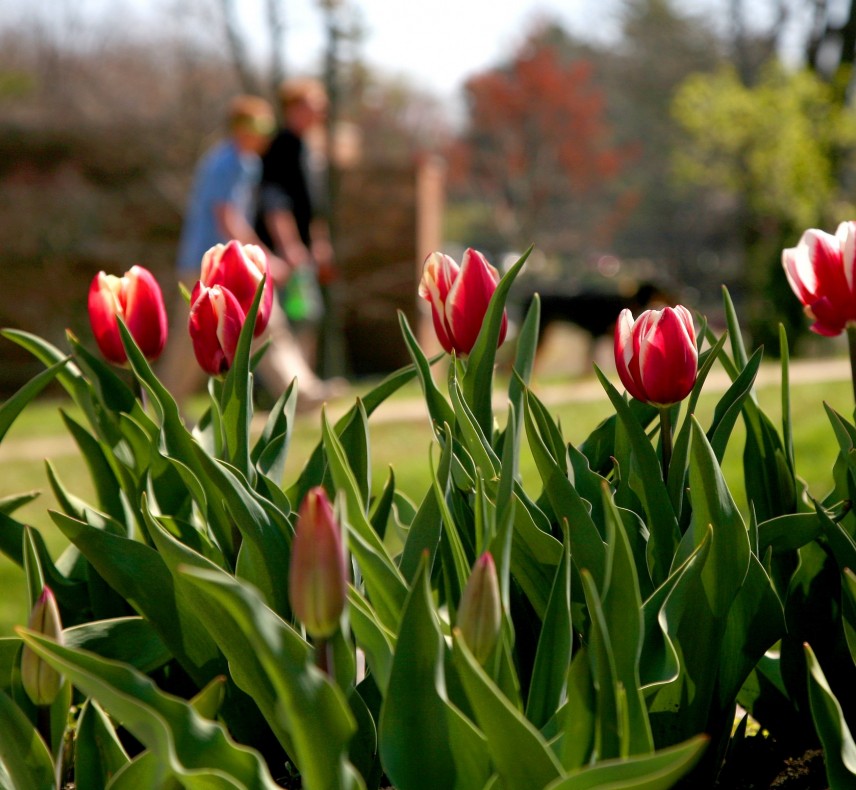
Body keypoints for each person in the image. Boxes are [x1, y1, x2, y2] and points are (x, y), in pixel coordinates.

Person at [161, 93, 342, 412]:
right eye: (258, 125)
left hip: (233, 266)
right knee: (191, 342)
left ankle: (301, 392)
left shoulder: (248, 162)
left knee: (269, 324)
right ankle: (165, 407)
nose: (265, 133)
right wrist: (265, 257)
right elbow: (226, 216)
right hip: (204, 265)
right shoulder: (225, 161)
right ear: (240, 128)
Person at [256, 77, 336, 373]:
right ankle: (292, 390)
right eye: (314, 105)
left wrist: (320, 243)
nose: (320, 112)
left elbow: (313, 208)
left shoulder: (309, 149)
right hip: (282, 251)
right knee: (290, 320)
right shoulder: (281, 146)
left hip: (304, 248)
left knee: (307, 317)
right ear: (294, 107)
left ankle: (302, 387)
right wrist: (289, 247)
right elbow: (275, 202)